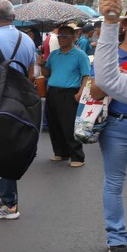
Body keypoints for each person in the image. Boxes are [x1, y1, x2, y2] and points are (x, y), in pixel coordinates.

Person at [92, 0, 127, 252]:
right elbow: (96, 90)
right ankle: (116, 237)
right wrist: (114, 76)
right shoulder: (110, 54)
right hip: (117, 127)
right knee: (114, 183)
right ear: (125, 25)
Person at [0, 0, 36, 220]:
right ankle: (9, 202)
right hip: (21, 102)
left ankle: (4, 202)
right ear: (14, 18)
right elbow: (32, 76)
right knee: (9, 149)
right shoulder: (27, 40)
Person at [36, 24, 91, 168]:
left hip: (69, 92)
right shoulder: (54, 54)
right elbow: (47, 73)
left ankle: (77, 156)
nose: (61, 39)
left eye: (65, 36)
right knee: (54, 124)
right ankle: (60, 152)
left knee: (69, 125)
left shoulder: (80, 55)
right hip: (53, 91)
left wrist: (81, 92)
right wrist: (42, 65)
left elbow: (86, 75)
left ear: (73, 37)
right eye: (59, 36)